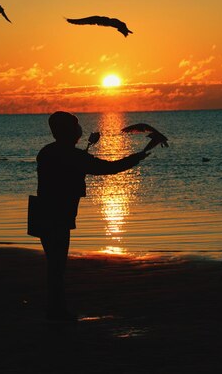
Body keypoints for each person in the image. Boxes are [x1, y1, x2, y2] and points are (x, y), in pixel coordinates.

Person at [35, 111, 149, 321]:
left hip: (42, 213)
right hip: (57, 215)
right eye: (75, 126)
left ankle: (55, 309)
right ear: (68, 131)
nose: (79, 129)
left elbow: (75, 167)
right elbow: (107, 168)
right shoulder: (71, 155)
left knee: (54, 265)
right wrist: (137, 157)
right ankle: (57, 312)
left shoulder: (47, 152)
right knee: (57, 266)